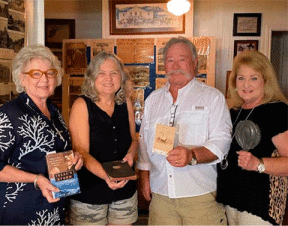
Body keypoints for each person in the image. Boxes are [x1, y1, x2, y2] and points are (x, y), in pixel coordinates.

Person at [137, 36, 232, 225]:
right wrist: (144, 176)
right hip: (161, 195)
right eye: (170, 60)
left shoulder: (212, 98)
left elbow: (222, 141)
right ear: (164, 65)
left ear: (195, 63)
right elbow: (143, 142)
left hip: (199, 195)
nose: (175, 65)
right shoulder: (152, 100)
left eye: (182, 59)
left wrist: (192, 155)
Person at [0, 45, 83, 225]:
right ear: (22, 79)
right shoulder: (10, 113)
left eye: (49, 73)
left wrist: (75, 158)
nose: (45, 79)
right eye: (36, 74)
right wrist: (36, 179)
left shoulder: (54, 113)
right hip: (18, 212)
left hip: (52, 209)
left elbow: (56, 153)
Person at [217, 50, 288, 225]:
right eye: (241, 78)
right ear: (234, 82)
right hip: (231, 203)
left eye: (254, 78)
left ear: (265, 80)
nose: (246, 84)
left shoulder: (277, 111)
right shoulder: (234, 111)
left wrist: (259, 164)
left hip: (260, 206)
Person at [68, 51, 138, 225]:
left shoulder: (125, 102)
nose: (109, 78)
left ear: (121, 77)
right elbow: (81, 152)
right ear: (92, 77)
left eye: (114, 73)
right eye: (102, 73)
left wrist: (131, 154)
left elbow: (134, 139)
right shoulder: (82, 105)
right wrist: (107, 176)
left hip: (124, 189)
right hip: (90, 192)